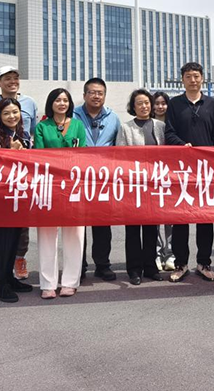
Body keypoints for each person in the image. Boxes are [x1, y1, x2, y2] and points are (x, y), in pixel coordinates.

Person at [0, 65, 38, 281]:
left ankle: (19, 260)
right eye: (7, 78)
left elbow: (33, 134)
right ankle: (2, 268)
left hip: (23, 178)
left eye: (15, 77)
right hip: (0, 180)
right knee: (1, 226)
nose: (12, 81)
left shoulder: (30, 103)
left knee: (22, 225)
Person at [164, 61, 214, 282]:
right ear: (182, 80)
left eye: (196, 76)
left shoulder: (212, 104)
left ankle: (204, 263)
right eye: (188, 76)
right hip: (181, 170)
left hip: (206, 171)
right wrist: (183, 146)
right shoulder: (175, 104)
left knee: (205, 219)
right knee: (181, 218)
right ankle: (181, 264)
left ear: (202, 79)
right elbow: (169, 133)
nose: (193, 80)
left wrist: (210, 155)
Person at [34, 88, 86, 299]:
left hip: (73, 186)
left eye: (65, 100)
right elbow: (39, 155)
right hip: (48, 185)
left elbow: (82, 153)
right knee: (47, 235)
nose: (62, 103)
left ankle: (70, 282)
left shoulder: (78, 125)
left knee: (74, 235)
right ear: (51, 103)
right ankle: (48, 283)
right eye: (58, 100)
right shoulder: (42, 126)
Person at [0, 98, 35, 303]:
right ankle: (1, 284)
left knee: (14, 239)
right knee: (1, 241)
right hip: (0, 199)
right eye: (6, 113)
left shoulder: (23, 136)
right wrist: (11, 153)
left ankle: (10, 278)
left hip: (18, 197)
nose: (11, 116)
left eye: (15, 112)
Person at [73, 77, 121, 281]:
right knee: (79, 224)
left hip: (104, 179)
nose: (96, 96)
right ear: (84, 95)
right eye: (92, 92)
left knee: (102, 224)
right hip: (78, 177)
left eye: (100, 93)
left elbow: (119, 147)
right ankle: (79, 265)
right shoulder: (72, 115)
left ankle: (102, 264)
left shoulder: (113, 118)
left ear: (105, 95)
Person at [115, 89, 165, 285]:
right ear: (133, 107)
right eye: (139, 103)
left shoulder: (160, 126)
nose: (144, 106)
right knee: (133, 230)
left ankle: (150, 267)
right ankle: (134, 269)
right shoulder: (125, 128)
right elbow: (120, 156)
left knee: (152, 229)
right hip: (133, 186)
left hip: (154, 185)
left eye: (147, 102)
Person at [151, 91, 174, 271]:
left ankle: (171, 253)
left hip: (172, 176)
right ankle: (157, 253)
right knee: (155, 217)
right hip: (152, 176)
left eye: (163, 103)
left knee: (171, 217)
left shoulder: (174, 123)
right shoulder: (149, 124)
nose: (160, 106)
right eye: (156, 103)